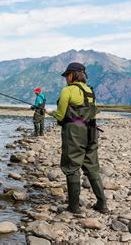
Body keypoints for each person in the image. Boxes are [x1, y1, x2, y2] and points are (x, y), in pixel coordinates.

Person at [45, 62, 108, 214]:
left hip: (74, 132)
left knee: (72, 167)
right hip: (91, 131)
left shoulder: (68, 91)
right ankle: (102, 204)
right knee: (92, 167)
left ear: (72, 74)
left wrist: (50, 112)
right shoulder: (89, 91)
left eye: (67, 75)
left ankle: (74, 207)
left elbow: (60, 115)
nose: (66, 78)